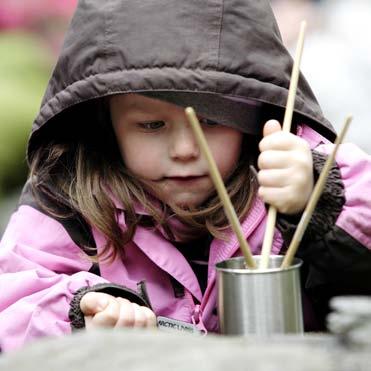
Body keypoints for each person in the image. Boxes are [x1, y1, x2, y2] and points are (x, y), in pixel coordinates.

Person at [1, 0, 371, 352]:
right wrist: (82, 315)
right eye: (151, 124)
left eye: (211, 120)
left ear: (255, 115)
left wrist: (321, 202)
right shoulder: (69, 202)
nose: (184, 149)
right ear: (105, 125)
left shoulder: (300, 167)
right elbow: (14, 304)